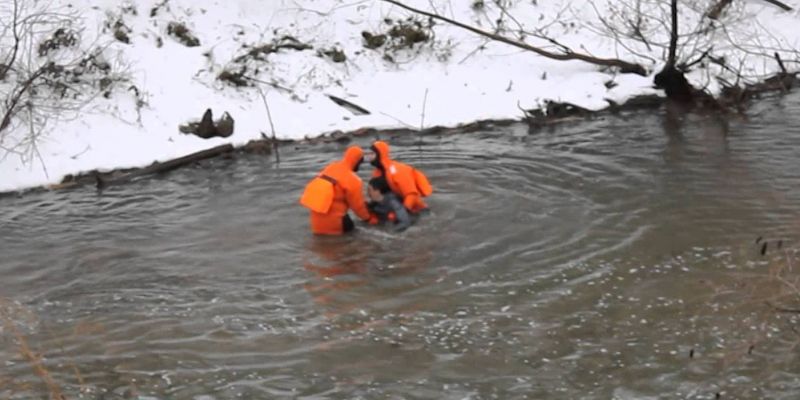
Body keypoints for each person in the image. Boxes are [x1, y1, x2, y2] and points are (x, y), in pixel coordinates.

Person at [299, 146, 375, 235]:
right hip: (336, 223)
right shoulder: (354, 180)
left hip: (316, 224)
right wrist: (368, 218)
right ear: (358, 161)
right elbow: (358, 207)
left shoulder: (331, 167)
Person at [367, 140, 433, 213]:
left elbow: (412, 194)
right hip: (396, 206)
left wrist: (403, 211)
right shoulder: (377, 173)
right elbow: (378, 194)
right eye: (368, 154)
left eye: (372, 153)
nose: (368, 156)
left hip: (416, 210)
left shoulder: (399, 170)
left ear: (380, 154)